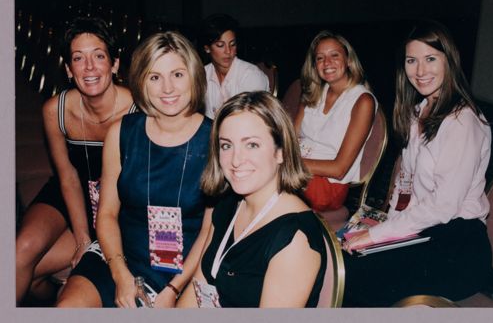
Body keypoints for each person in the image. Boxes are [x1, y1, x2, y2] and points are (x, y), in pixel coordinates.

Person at [56, 31, 213, 308]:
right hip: (119, 255)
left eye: (177, 74)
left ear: (194, 76)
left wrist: (174, 290)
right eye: (155, 77)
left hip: (184, 269)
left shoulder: (216, 139)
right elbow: (106, 213)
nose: (167, 88)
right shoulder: (121, 133)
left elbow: (209, 231)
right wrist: (120, 274)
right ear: (142, 81)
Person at [341, 20, 493, 307]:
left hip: (459, 246)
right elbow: (406, 185)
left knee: (360, 277)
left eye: (431, 59)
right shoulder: (418, 112)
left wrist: (375, 235)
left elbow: (443, 206)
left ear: (449, 61)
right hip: (426, 230)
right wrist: (383, 226)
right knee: (348, 260)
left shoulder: (462, 122)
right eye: (412, 61)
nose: (420, 71)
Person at [16, 16, 136, 305]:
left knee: (36, 275)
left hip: (116, 203)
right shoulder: (54, 110)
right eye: (79, 59)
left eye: (99, 56)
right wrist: (82, 236)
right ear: (69, 69)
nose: (90, 67)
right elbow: (67, 175)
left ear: (115, 64)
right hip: (70, 192)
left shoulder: (137, 108)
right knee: (19, 252)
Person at [177, 91, 326, 308]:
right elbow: (198, 286)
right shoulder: (228, 203)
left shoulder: (294, 238)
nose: (236, 160)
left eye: (252, 145)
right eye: (226, 145)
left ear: (281, 152)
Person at [294, 30, 377, 212]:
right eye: (320, 58)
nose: (327, 63)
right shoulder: (313, 92)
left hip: (326, 186)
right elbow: (290, 140)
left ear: (348, 60)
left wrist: (286, 163)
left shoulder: (362, 100)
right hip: (297, 174)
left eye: (334, 55)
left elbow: (339, 169)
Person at [198, 13, 269, 119]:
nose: (228, 51)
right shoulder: (202, 74)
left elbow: (250, 120)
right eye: (220, 45)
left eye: (232, 44)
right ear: (207, 48)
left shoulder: (251, 75)